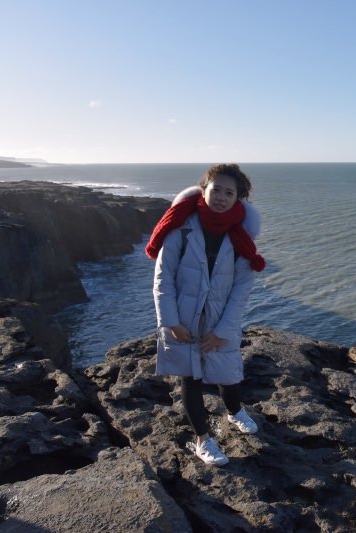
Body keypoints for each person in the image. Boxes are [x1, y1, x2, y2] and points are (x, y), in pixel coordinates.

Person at [146, 163, 265, 466]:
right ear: (203, 190)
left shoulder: (242, 242)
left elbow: (241, 292)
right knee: (191, 379)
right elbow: (163, 277)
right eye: (216, 189)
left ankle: (235, 411)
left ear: (239, 199)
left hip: (219, 321)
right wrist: (170, 321)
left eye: (230, 192)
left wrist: (223, 331)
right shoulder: (181, 230)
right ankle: (202, 439)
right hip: (182, 321)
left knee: (227, 373)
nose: (221, 197)